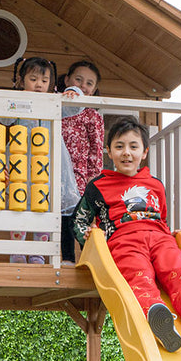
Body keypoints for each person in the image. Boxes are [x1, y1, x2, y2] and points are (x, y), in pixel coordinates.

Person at [72, 115, 181, 352]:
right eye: (119, 147)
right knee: (138, 275)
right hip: (124, 241)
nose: (126, 153)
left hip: (159, 238)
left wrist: (172, 234)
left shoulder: (155, 184)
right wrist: (90, 239)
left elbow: (160, 217)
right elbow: (79, 220)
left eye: (133, 147)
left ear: (144, 152)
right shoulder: (99, 186)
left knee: (178, 272)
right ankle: (156, 320)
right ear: (108, 152)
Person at [0, 57, 57, 264]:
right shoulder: (19, 103)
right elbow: (3, 120)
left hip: (46, 162)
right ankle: (18, 250)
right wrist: (15, 99)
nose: (39, 85)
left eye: (44, 80)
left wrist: (73, 93)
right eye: (33, 79)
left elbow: (74, 108)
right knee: (18, 202)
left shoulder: (53, 102)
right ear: (22, 81)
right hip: (20, 158)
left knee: (42, 205)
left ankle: (38, 252)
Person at [59, 60, 105, 263]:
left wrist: (93, 179)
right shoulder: (56, 106)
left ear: (94, 91)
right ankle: (67, 258)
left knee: (78, 218)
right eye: (78, 79)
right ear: (67, 80)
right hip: (56, 172)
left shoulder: (92, 115)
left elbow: (96, 150)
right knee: (61, 219)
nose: (82, 86)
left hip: (80, 176)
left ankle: (88, 258)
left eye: (89, 83)